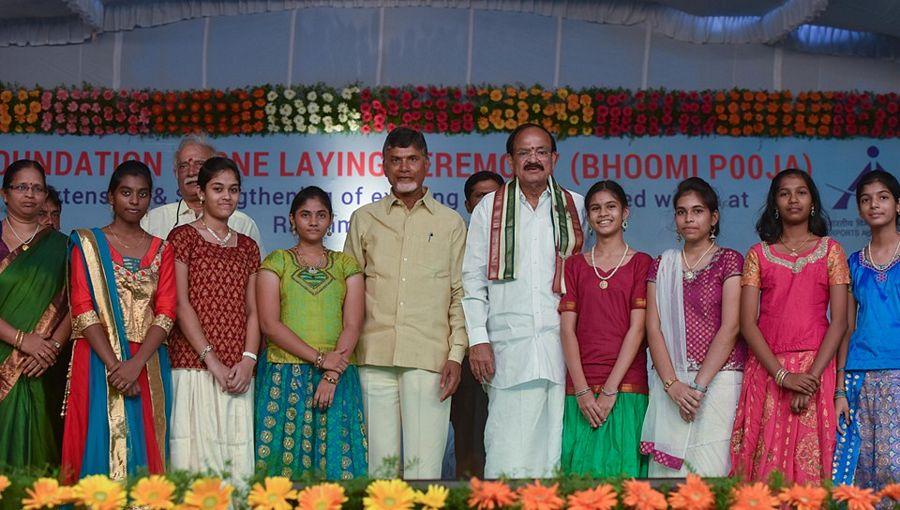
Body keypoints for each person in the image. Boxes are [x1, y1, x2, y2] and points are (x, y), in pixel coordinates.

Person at [462, 123, 585, 478]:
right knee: (505, 446)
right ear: (510, 160)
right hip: (507, 348)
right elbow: (472, 279)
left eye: (541, 152)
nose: (533, 159)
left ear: (554, 158)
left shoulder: (574, 205)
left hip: (560, 346)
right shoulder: (489, 207)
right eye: (524, 153)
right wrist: (479, 340)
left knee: (554, 448)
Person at [344, 127, 467, 479]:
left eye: (412, 159)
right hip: (372, 358)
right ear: (383, 166)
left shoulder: (450, 223)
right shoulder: (364, 219)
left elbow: (460, 294)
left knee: (423, 474)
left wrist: (457, 355)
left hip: (428, 360)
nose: (404, 168)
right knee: (378, 474)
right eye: (396, 161)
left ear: (427, 164)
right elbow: (349, 290)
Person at [730, 168, 849, 484]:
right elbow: (746, 323)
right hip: (768, 372)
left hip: (816, 366)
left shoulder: (831, 251)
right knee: (764, 474)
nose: (793, 199)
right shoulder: (758, 255)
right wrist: (782, 376)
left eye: (801, 192)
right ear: (774, 203)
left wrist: (808, 379)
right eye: (784, 193)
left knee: (810, 476)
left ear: (812, 202)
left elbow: (839, 322)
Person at [61, 161, 176, 482]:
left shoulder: (163, 250)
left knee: (145, 446)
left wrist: (135, 364)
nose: (134, 201)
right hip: (98, 360)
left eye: (142, 194)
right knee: (97, 440)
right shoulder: (87, 245)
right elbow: (82, 310)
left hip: (147, 361)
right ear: (110, 197)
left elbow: (166, 311)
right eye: (126, 193)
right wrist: (116, 366)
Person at [255, 186, 367, 480]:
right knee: (281, 471)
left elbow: (353, 324)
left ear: (331, 220)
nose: (313, 221)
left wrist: (331, 374)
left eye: (321, 215)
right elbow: (270, 324)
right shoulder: (276, 261)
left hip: (337, 376)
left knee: (337, 468)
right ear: (292, 219)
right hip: (284, 374)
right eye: (305, 215)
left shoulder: (346, 265)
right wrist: (320, 359)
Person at [640, 177, 745, 477]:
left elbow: (731, 326)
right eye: (682, 211)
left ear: (713, 217)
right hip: (671, 383)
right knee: (668, 479)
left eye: (697, 211)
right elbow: (653, 328)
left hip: (719, 382)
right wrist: (673, 386)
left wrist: (697, 388)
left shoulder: (729, 261)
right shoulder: (662, 265)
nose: (689, 218)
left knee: (710, 474)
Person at [167, 157, 261, 482]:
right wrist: (212, 361)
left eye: (233, 190)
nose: (226, 197)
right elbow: (180, 304)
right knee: (194, 461)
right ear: (201, 192)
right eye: (218, 189)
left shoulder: (247, 247)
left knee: (236, 462)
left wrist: (248, 360)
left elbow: (253, 309)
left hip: (237, 371)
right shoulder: (182, 238)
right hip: (192, 365)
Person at [558, 180, 651, 477]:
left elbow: (638, 330)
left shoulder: (641, 263)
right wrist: (584, 390)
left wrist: (610, 390)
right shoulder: (574, 266)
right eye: (595, 208)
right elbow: (567, 331)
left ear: (626, 212)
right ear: (588, 216)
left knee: (625, 480)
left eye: (611, 206)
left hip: (626, 388)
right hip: (580, 391)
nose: (603, 214)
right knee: (579, 481)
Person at [0, 160, 69, 477]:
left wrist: (52, 346)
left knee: (38, 457)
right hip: (6, 353)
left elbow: (77, 306)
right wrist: (20, 339)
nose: (30, 194)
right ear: (5, 194)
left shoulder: (64, 247)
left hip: (40, 367)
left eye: (37, 188)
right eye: (22, 187)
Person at [833, 170, 900, 488]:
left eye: (883, 197)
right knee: (861, 469)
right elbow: (845, 327)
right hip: (860, 374)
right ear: (859, 209)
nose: (874, 205)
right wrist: (840, 388)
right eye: (866, 199)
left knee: (893, 467)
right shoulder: (854, 263)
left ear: (898, 206)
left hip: (897, 372)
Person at [449, 171, 504, 479]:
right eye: (480, 197)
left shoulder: (521, 237)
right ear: (468, 205)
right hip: (468, 355)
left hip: (511, 353)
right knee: (469, 439)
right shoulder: (458, 242)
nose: (488, 203)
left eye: (494, 196)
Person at [141, 134, 263, 253]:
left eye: (199, 164)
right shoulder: (153, 220)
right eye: (183, 166)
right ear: (176, 173)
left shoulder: (242, 223)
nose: (191, 172)